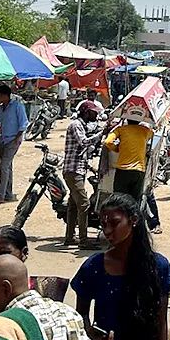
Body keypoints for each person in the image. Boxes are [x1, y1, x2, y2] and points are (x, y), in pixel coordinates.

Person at [71, 192, 170, 340]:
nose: (107, 231)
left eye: (114, 223)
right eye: (103, 224)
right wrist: (92, 333)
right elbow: (79, 319)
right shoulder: (94, 267)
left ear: (134, 220)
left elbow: (161, 326)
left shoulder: (158, 267)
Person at [63, 100, 103, 247]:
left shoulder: (82, 125)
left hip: (77, 169)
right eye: (94, 112)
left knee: (73, 205)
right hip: (73, 171)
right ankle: (84, 240)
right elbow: (84, 142)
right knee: (84, 204)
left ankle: (69, 237)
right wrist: (101, 133)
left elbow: (80, 152)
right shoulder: (76, 125)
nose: (96, 115)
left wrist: (91, 168)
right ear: (86, 112)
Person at [102, 116, 153, 206]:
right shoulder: (145, 130)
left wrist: (117, 149)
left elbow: (107, 142)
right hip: (139, 171)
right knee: (134, 202)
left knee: (118, 200)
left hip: (122, 171)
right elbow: (152, 135)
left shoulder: (121, 129)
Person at [0, 85, 27, 202]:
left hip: (13, 140)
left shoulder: (17, 106)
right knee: (8, 167)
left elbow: (24, 123)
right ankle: (8, 194)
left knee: (4, 166)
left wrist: (18, 137)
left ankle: (1, 196)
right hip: (4, 140)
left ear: (5, 96)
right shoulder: (0, 110)